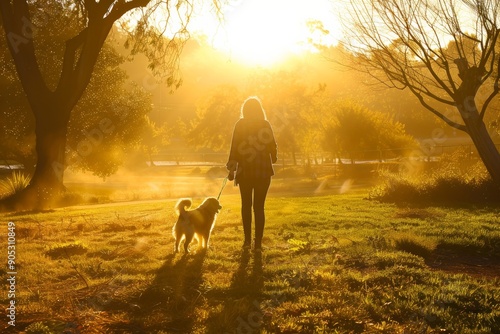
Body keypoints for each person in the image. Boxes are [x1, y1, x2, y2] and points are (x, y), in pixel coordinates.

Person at [226, 97, 278, 251]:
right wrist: (272, 156)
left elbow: (234, 148)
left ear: (245, 110)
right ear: (260, 109)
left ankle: (247, 242)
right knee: (259, 208)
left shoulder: (240, 125)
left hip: (245, 172)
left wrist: (231, 169)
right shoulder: (265, 124)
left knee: (246, 206)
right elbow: (272, 147)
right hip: (263, 172)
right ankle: (258, 244)